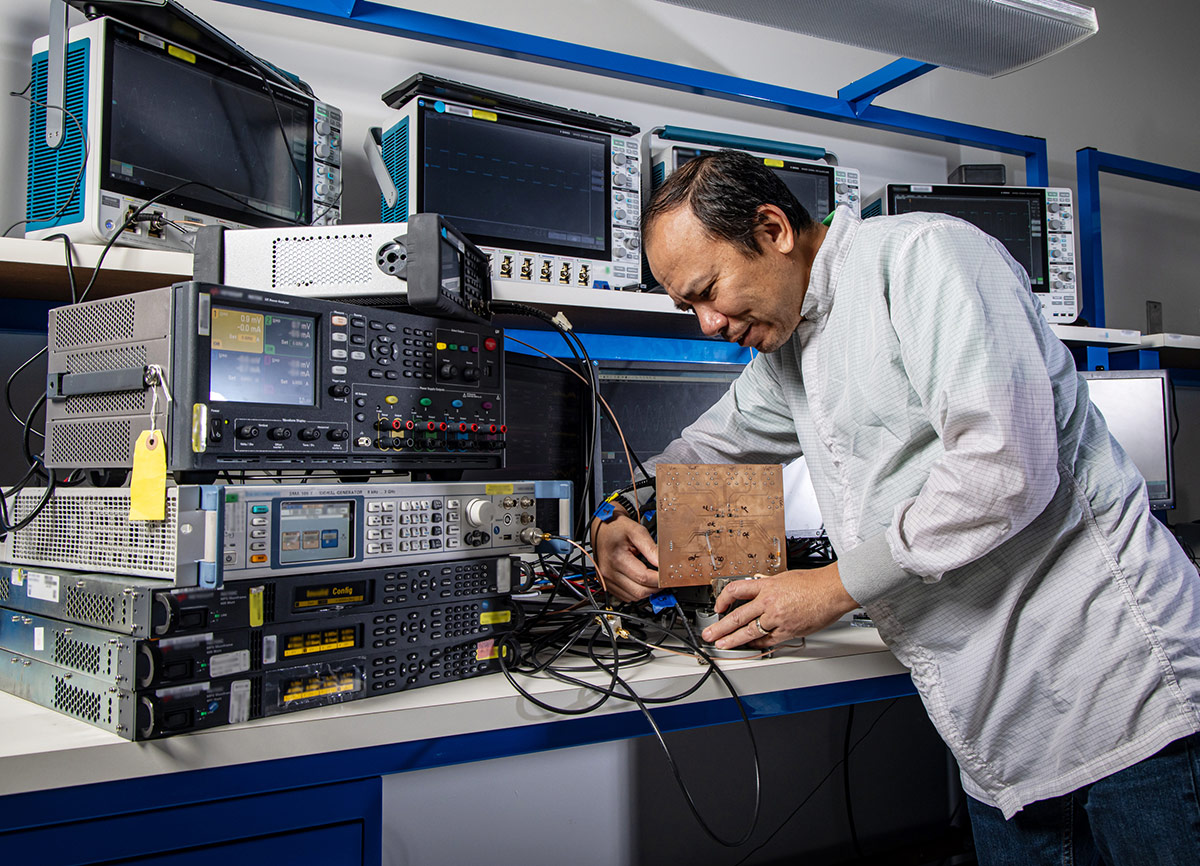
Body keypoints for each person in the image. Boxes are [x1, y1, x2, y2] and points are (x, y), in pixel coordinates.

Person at [591, 149, 1200, 863]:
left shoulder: (923, 259)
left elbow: (1001, 471)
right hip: (1003, 738)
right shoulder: (791, 353)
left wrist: (829, 588)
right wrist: (617, 510)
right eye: (687, 306)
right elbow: (701, 449)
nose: (706, 323)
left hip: (1120, 692)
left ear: (772, 229)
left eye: (708, 289)